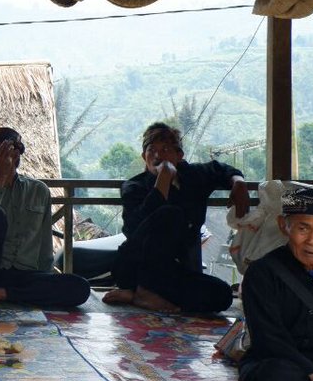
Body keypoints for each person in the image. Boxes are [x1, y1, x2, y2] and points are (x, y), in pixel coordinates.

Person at [104, 122, 246, 313]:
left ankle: (143, 297)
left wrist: (238, 182)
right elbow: (134, 229)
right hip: (136, 269)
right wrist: (163, 180)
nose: (157, 155)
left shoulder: (193, 176)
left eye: (165, 149)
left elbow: (220, 169)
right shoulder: (134, 187)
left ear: (179, 155)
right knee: (171, 214)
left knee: (222, 295)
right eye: (151, 150)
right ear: (143, 156)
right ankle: (142, 291)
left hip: (176, 271)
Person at [229, 186, 313, 381]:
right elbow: (270, 339)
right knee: (276, 377)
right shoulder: (263, 273)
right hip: (281, 366)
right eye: (303, 229)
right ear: (284, 226)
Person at [0, 127, 90, 309]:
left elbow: (44, 241)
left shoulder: (38, 190)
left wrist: (47, 278)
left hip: (25, 275)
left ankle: (2, 294)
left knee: (80, 288)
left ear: (16, 155)